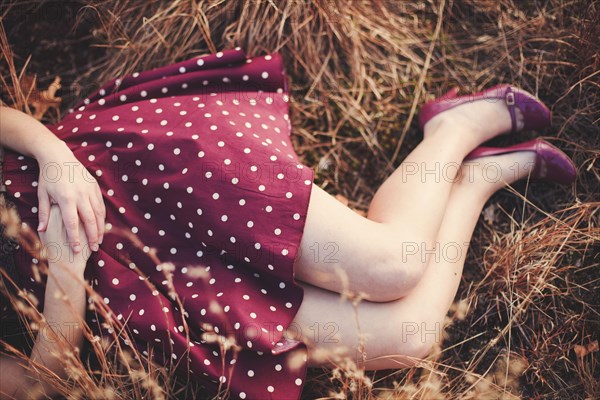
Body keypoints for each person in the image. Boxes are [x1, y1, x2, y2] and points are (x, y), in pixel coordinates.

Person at [0, 48, 576, 399]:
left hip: (131, 175)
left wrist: (55, 159)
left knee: (393, 264)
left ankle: (453, 130)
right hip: (130, 284)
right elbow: (36, 383)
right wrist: (69, 264)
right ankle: (471, 179)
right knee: (410, 338)